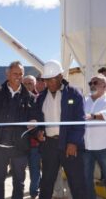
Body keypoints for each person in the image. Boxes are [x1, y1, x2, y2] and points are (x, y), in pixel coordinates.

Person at [35, 60, 86, 199]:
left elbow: (80, 120)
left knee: (77, 183)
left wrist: (73, 142)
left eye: (52, 79)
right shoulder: (41, 98)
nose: (49, 83)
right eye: (47, 80)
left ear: (60, 77)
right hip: (49, 146)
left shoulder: (74, 94)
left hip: (69, 145)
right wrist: (39, 132)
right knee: (46, 183)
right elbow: (39, 121)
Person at [0, 61, 37, 199]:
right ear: (8, 74)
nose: (18, 76)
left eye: (21, 74)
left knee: (19, 182)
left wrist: (35, 125)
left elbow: (35, 121)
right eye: (15, 73)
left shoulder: (30, 98)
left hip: (20, 148)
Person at [83, 74, 106, 199]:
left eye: (95, 82)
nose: (92, 85)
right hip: (86, 147)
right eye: (91, 83)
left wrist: (92, 116)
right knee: (86, 181)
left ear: (105, 86)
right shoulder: (84, 100)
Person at [22, 75, 41, 199]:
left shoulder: (39, 99)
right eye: (26, 83)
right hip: (21, 143)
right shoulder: (18, 99)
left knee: (34, 169)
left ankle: (34, 192)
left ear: (35, 84)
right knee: (19, 171)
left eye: (31, 83)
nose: (28, 85)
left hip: (34, 143)